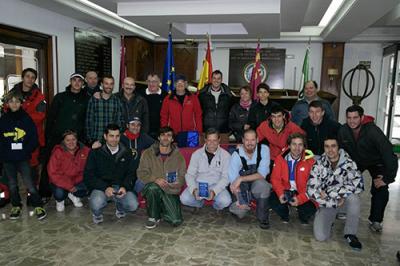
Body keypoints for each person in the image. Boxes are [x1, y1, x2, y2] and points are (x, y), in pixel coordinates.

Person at [338, 105, 398, 232]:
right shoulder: (343, 130)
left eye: (355, 117)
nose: (352, 121)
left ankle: (376, 220)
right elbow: (340, 151)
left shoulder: (373, 131)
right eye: (349, 118)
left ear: (362, 117)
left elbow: (388, 153)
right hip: (357, 161)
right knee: (343, 178)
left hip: (377, 162)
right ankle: (343, 210)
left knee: (380, 187)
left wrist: (388, 177)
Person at [307, 137, 364, 250]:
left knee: (354, 199)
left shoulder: (349, 163)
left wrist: (331, 192)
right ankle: (330, 219)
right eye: (327, 146)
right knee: (321, 237)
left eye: (333, 146)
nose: (330, 150)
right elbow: (311, 190)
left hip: (343, 202)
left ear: (339, 148)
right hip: (327, 204)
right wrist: (333, 200)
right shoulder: (318, 164)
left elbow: (357, 186)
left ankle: (350, 234)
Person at [0, 91, 46, 220]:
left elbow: (33, 138)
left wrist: (26, 151)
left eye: (17, 101)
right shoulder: (3, 120)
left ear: (21, 103)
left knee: (29, 183)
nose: (14, 104)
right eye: (11, 101)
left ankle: (37, 204)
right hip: (8, 159)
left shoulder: (26, 119)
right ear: (7, 104)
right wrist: (3, 153)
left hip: (23, 157)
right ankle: (16, 205)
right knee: (12, 184)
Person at [84, 124, 139, 224]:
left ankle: (120, 206)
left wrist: (125, 187)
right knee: (96, 202)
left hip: (120, 187)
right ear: (105, 136)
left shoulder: (127, 153)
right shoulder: (95, 153)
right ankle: (97, 213)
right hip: (101, 187)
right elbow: (89, 175)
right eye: (111, 136)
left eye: (117, 136)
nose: (114, 139)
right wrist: (105, 187)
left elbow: (131, 173)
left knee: (133, 205)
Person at [137, 127, 186, 229]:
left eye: (169, 135)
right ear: (159, 137)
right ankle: (153, 217)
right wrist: (155, 179)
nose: (165, 137)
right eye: (163, 135)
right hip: (153, 187)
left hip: (170, 190)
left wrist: (173, 183)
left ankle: (160, 208)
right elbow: (141, 173)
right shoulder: (147, 153)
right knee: (152, 188)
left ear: (172, 139)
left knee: (176, 220)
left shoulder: (179, 156)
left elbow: (182, 177)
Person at [228, 129, 271, 229]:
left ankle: (263, 217)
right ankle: (238, 205)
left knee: (264, 186)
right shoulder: (236, 155)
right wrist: (240, 199)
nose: (250, 143)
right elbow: (234, 182)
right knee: (240, 213)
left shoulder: (264, 149)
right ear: (242, 140)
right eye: (247, 140)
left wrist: (241, 178)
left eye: (252, 140)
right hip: (242, 188)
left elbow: (262, 174)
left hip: (257, 185)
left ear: (257, 139)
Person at [270, 133, 316, 224]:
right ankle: (285, 214)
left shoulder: (310, 161)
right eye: (294, 144)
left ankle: (300, 211)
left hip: (302, 191)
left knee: (307, 212)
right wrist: (280, 194)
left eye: (300, 145)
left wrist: (300, 199)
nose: (297, 148)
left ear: (304, 147)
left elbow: (313, 185)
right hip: (285, 190)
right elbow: (275, 179)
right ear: (289, 145)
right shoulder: (280, 158)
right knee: (272, 200)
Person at [180, 128, 231, 211]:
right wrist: (194, 190)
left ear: (219, 140)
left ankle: (216, 206)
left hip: (216, 184)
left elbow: (226, 177)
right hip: (198, 184)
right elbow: (189, 175)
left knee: (226, 201)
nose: (212, 143)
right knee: (184, 199)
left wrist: (214, 191)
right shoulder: (196, 154)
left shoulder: (226, 156)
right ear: (205, 140)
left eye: (214, 140)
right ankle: (199, 203)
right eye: (209, 140)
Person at [47, 130, 90, 212]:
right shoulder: (57, 152)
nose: (71, 142)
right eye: (68, 140)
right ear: (63, 141)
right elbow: (53, 173)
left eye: (73, 139)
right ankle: (60, 201)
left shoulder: (85, 150)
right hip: (61, 181)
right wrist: (69, 186)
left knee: (90, 186)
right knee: (59, 194)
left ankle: (73, 194)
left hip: (77, 181)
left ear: (77, 140)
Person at [86, 75, 123, 148]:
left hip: (112, 142)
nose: (109, 86)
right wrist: (91, 141)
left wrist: (116, 139)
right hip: (96, 141)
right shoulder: (94, 100)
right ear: (102, 84)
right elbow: (88, 122)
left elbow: (120, 121)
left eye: (111, 84)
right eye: (106, 83)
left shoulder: (117, 101)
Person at [120, 117, 154, 193]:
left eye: (138, 125)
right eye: (133, 124)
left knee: (145, 180)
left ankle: (134, 194)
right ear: (127, 125)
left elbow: (157, 145)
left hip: (138, 174)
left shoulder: (143, 137)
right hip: (123, 175)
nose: (136, 127)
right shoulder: (120, 138)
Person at [137, 73, 168, 139]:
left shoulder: (165, 95)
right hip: (143, 131)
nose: (151, 84)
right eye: (149, 81)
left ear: (159, 82)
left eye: (154, 81)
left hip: (161, 131)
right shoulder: (139, 94)